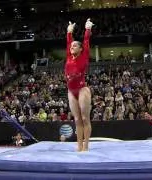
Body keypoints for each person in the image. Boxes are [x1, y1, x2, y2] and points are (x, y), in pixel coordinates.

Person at [65, 18, 94, 152]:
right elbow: (68, 42)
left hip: (82, 90)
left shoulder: (84, 55)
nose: (72, 47)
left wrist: (88, 28)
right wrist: (69, 32)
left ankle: (86, 146)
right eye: (71, 46)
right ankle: (79, 146)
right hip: (71, 91)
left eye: (75, 46)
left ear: (81, 49)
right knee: (77, 119)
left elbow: (87, 41)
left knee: (84, 118)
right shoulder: (69, 57)